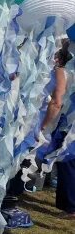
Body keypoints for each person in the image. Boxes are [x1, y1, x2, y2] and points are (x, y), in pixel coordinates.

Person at [40, 40, 75, 219]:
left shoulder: (63, 71)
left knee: (67, 161)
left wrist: (44, 125)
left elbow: (57, 101)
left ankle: (71, 207)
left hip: (68, 125)